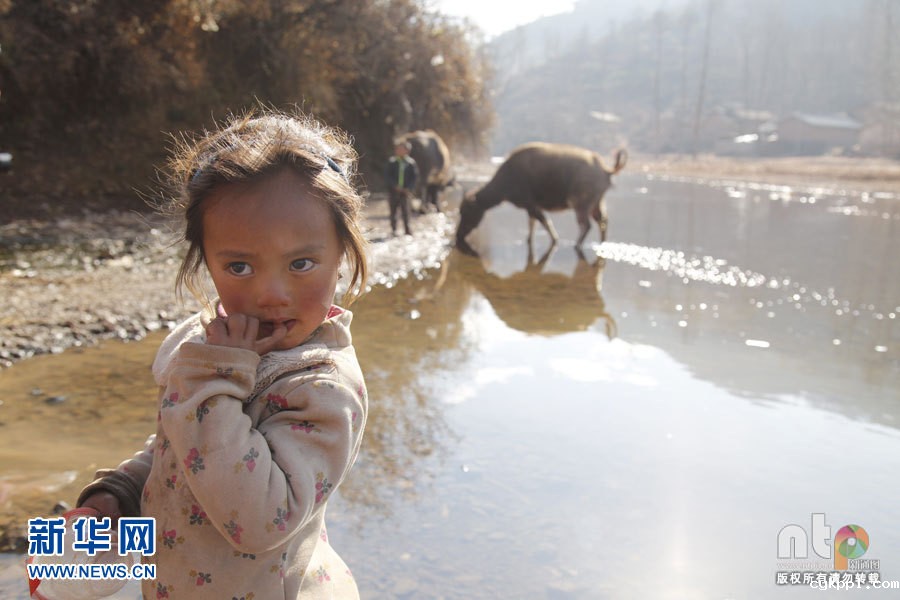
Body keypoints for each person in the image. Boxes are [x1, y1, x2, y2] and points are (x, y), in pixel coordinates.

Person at [75, 108, 369, 599]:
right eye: (238, 266)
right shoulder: (214, 345)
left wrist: (214, 379)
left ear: (342, 252)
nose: (271, 294)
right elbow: (179, 448)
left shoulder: (321, 387)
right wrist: (119, 495)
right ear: (205, 260)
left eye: (301, 263)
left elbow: (256, 520)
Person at [383, 139, 418, 236]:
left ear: (407, 151)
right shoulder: (392, 162)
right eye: (398, 149)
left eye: (402, 149)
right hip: (394, 191)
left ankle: (407, 229)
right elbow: (387, 176)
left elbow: (414, 177)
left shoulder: (411, 163)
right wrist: (394, 186)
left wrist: (409, 188)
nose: (399, 151)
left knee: (406, 210)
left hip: (406, 192)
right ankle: (394, 229)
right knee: (393, 210)